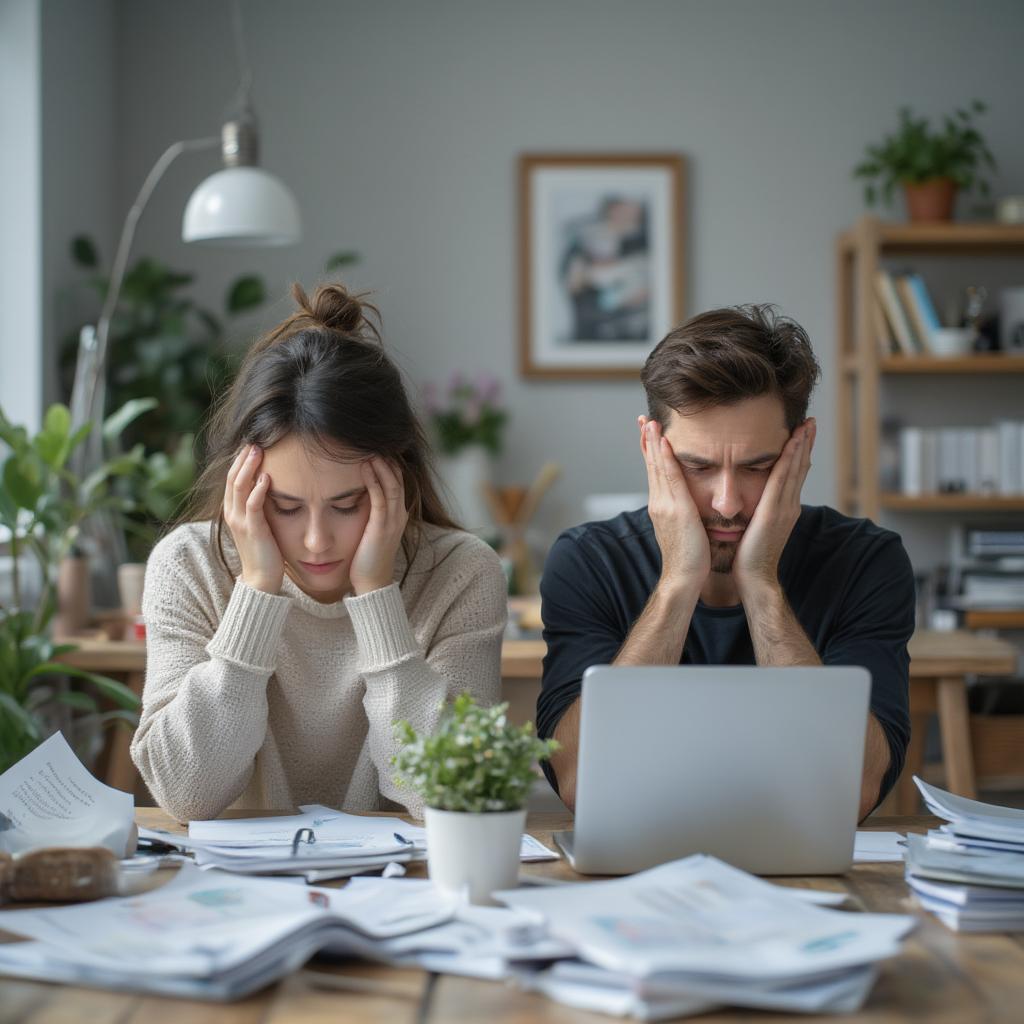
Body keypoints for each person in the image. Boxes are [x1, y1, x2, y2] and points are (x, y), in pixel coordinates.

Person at [131, 283, 507, 822]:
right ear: (245, 486)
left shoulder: (461, 572)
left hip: (405, 890)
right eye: (284, 507)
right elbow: (187, 793)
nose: (315, 541)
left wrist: (377, 594)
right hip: (239, 899)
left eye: (347, 503)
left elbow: (453, 798)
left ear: (395, 480)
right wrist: (256, 588)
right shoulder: (187, 565)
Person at [537, 305, 913, 821]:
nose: (727, 502)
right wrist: (676, 583)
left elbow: (852, 792)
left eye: (759, 467)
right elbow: (582, 784)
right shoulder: (587, 560)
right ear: (653, 448)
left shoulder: (868, 561)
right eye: (698, 467)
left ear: (799, 449)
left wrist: (760, 583)